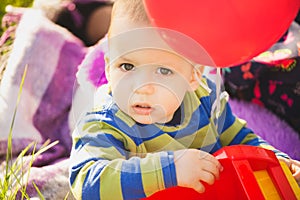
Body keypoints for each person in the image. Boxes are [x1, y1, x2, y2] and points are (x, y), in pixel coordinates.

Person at [69, 0, 300, 199]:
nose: (141, 87)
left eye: (163, 71)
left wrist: (278, 162)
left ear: (193, 76)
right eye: (127, 66)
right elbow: (87, 181)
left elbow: (241, 139)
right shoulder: (103, 122)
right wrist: (170, 170)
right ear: (108, 68)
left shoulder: (204, 100)